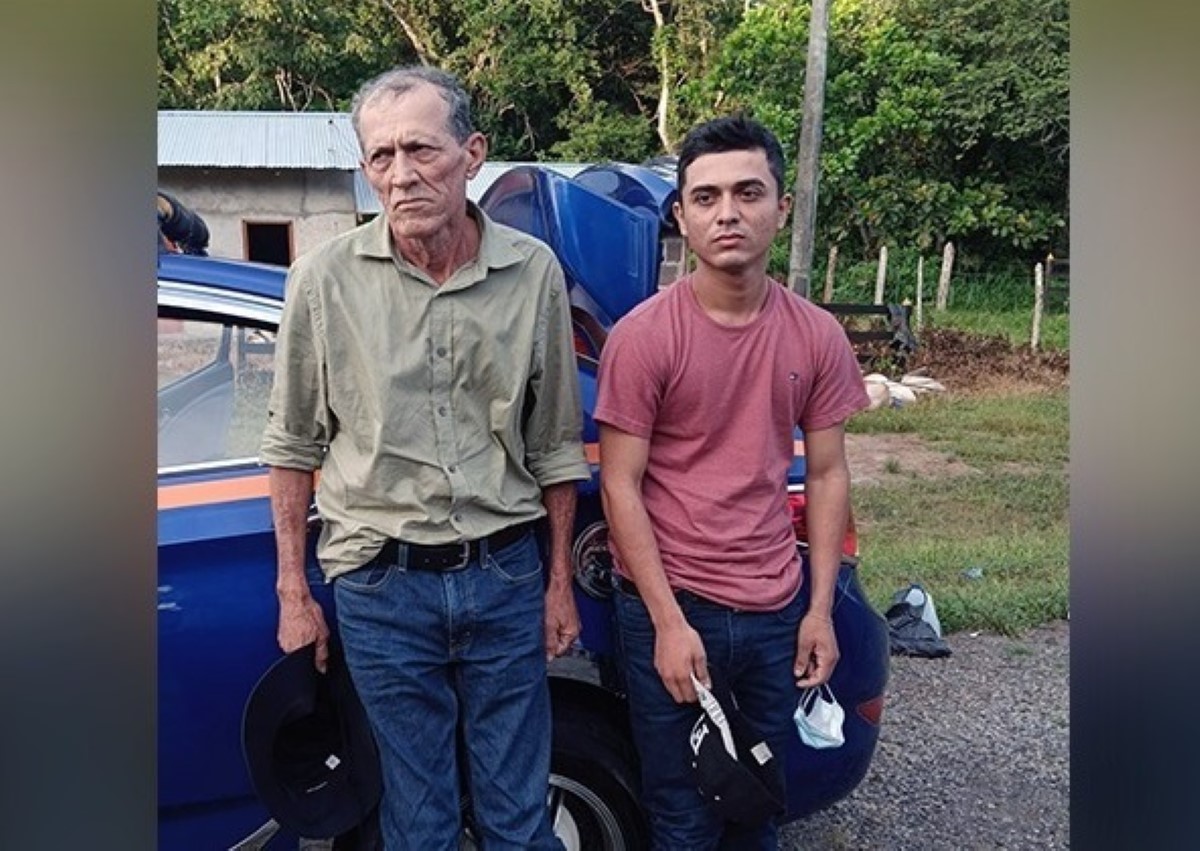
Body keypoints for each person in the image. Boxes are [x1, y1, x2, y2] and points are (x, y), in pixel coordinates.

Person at [259, 65, 589, 850]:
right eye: (380, 156)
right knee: (418, 819)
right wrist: (293, 593)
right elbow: (292, 445)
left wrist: (558, 585)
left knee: (518, 814)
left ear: (472, 153)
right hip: (380, 584)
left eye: (420, 149)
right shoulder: (322, 282)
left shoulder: (532, 272)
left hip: (505, 574)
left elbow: (555, 444)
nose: (401, 175)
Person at [594, 115, 870, 849]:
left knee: (758, 800)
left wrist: (819, 608)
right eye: (707, 196)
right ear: (681, 215)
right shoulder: (645, 337)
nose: (728, 213)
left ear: (781, 207)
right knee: (681, 812)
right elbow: (622, 486)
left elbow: (830, 469)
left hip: (777, 606)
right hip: (673, 601)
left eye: (748, 193)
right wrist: (666, 622)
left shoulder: (815, 335)